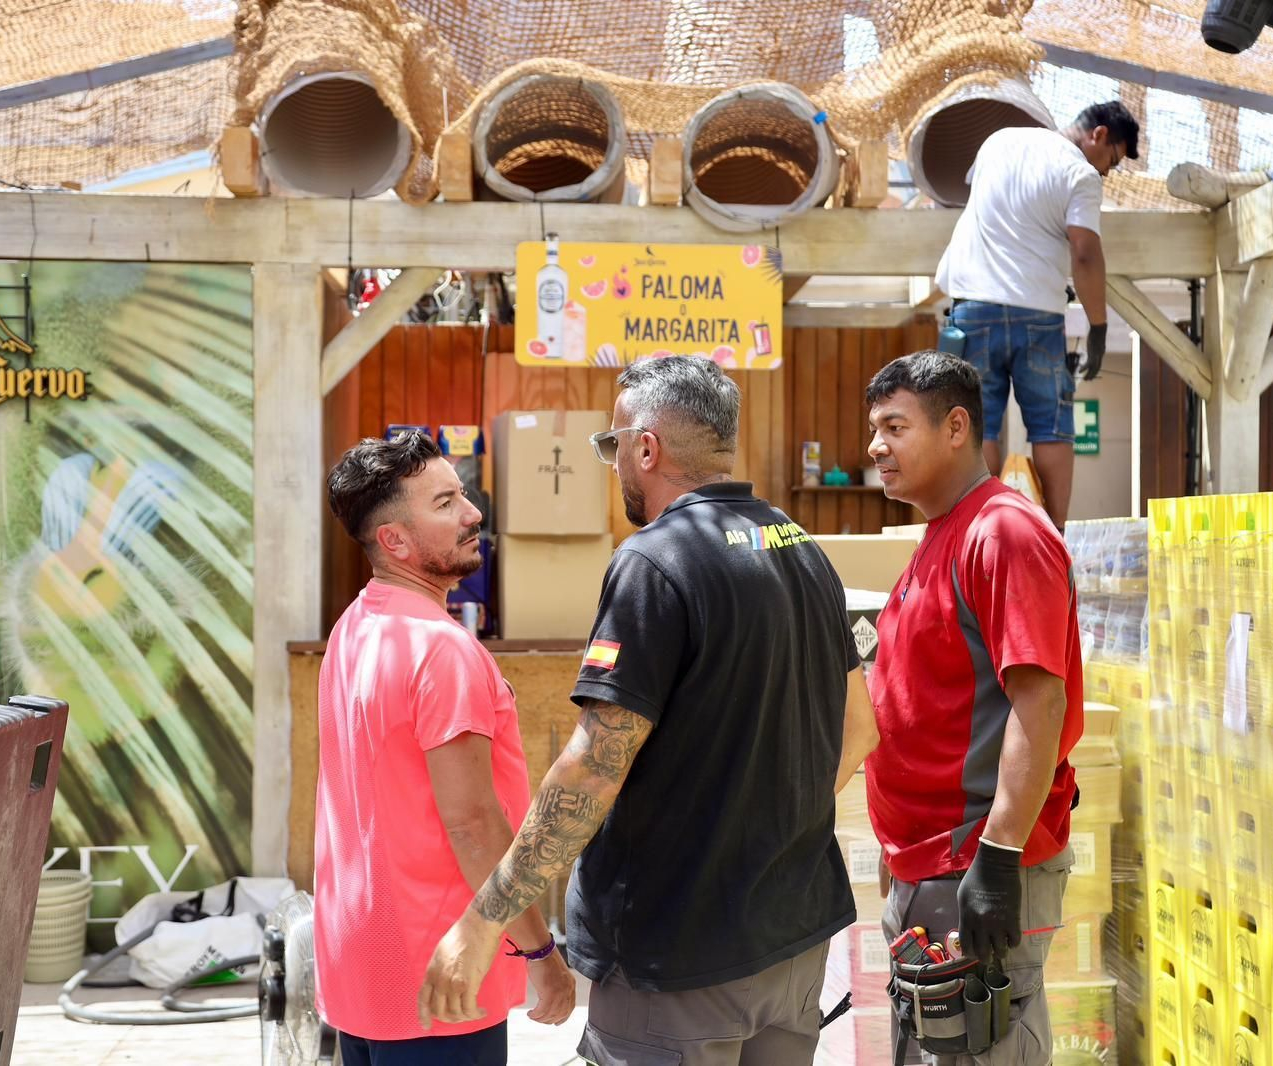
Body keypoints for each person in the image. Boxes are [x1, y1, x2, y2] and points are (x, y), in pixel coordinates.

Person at [417, 357, 879, 1065]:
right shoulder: (802, 548)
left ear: (646, 447)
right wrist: (763, 826)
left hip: (678, 954)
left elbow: (593, 769)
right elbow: (860, 728)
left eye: (611, 446)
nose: (612, 465)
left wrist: (486, 923)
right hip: (793, 941)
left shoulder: (656, 562)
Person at [317, 431, 576, 1066]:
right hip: (442, 974)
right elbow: (474, 824)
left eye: (462, 494)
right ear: (394, 541)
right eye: (444, 503)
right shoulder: (443, 651)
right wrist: (542, 954)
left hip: (362, 966)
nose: (473, 514)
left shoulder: (354, 626)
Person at [863, 353, 1084, 1065]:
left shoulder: (1004, 533)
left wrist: (997, 855)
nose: (875, 447)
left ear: (956, 426)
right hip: (929, 865)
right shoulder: (943, 534)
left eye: (895, 426)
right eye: (874, 428)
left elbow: (1039, 700)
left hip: (973, 865)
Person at [935, 100, 1140, 530]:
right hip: (1039, 315)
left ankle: (976, 529)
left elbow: (976, 202)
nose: (1107, 171)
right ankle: (1054, 534)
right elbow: (1084, 253)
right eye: (1113, 161)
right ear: (1099, 135)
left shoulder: (999, 141)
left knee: (977, 425)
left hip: (974, 307)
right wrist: (1099, 328)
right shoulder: (1080, 175)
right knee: (1051, 427)